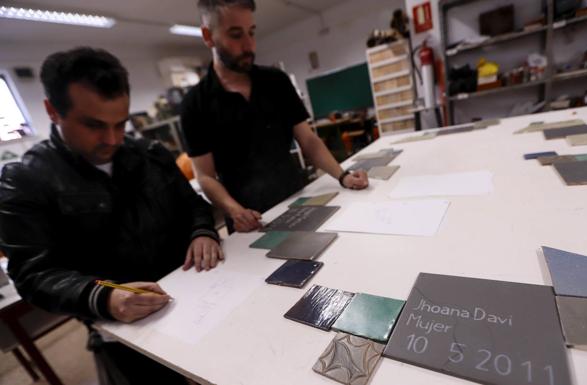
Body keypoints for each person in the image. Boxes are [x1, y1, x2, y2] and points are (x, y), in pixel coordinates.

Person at [0, 47, 223, 385]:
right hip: (124, 330)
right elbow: (34, 273)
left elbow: (193, 206)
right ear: (52, 110)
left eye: (121, 124)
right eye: (94, 125)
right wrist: (104, 295)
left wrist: (202, 231)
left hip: (199, 298)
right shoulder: (25, 180)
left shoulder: (150, 153)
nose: (113, 139)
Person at [180, 0, 369, 233]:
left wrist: (343, 176)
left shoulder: (276, 82)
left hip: (299, 201)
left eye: (252, 32)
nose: (249, 45)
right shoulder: (195, 105)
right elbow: (205, 176)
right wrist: (234, 210)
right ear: (208, 36)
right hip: (248, 223)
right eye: (236, 35)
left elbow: (308, 141)